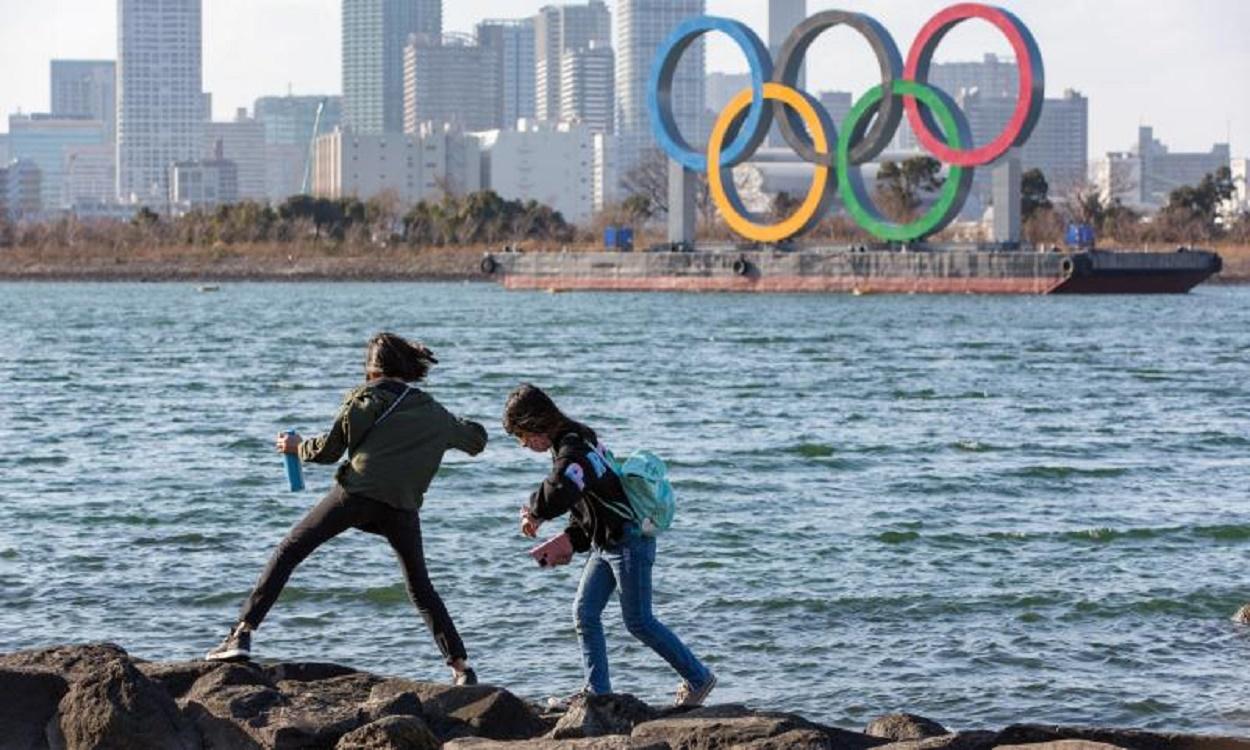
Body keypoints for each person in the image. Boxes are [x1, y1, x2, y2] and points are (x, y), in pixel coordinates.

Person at [206, 332, 488, 686]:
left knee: (290, 550)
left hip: (356, 495)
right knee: (420, 587)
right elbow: (476, 440)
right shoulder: (434, 411)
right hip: (400, 506)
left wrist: (296, 447)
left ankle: (241, 633)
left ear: (371, 370)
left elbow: (327, 451)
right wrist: (448, 424)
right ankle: (460, 668)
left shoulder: (364, 399)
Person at [502, 383, 716, 706]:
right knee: (584, 612)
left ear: (536, 424)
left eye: (522, 436)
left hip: (629, 542)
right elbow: (591, 505)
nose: (523, 444)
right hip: (607, 542)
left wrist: (534, 512)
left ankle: (699, 678)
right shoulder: (574, 441)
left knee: (639, 621)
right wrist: (571, 541)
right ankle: (597, 692)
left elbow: (559, 489)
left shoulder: (573, 449)